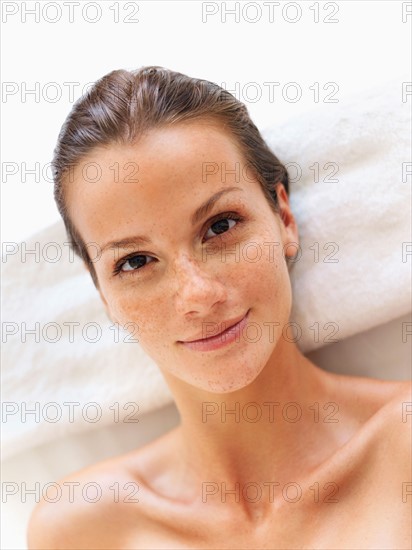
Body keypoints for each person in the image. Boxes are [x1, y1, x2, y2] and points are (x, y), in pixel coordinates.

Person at [27, 66, 411, 549]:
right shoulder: (86, 530)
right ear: (104, 295)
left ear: (283, 218)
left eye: (221, 226)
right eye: (136, 261)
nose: (198, 294)